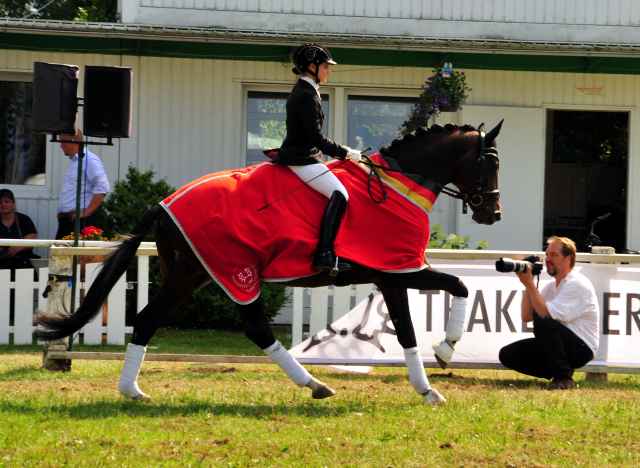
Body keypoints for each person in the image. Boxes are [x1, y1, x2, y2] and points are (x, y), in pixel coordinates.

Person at [271, 43, 362, 274]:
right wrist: (345, 152)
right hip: (302, 157)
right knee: (340, 193)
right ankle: (324, 253)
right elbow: (316, 138)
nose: (328, 71)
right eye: (325, 66)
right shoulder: (305, 94)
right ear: (312, 66)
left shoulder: (308, 90)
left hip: (308, 155)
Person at [499, 236, 599, 390]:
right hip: (564, 346)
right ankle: (558, 369)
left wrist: (531, 285)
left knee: (543, 321)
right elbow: (526, 316)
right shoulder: (551, 287)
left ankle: (563, 378)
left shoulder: (577, 284)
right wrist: (528, 284)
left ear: (568, 259)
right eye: (547, 255)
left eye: (554, 255)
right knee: (507, 354)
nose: (548, 259)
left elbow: (547, 315)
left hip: (581, 349)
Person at [56, 129, 110, 240]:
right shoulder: (76, 161)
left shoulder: (89, 159)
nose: (60, 146)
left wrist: (87, 211)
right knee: (61, 256)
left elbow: (103, 186)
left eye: (61, 142)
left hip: (80, 222)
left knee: (78, 256)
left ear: (69, 142)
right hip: (68, 221)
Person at [0, 188, 38, 271]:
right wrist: (2, 250)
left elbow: (31, 242)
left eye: (7, 201)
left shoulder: (24, 219)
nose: (3, 205)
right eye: (0, 202)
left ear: (13, 203)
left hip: (22, 265)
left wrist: (17, 248)